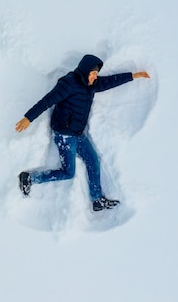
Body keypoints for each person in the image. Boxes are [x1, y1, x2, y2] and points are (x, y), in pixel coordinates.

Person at [15, 54, 150, 211]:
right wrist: (28, 118)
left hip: (77, 133)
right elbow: (47, 100)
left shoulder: (91, 84)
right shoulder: (69, 83)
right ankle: (29, 178)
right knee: (68, 173)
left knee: (93, 161)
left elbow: (110, 81)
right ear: (85, 71)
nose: (95, 76)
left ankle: (97, 199)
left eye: (96, 74)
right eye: (93, 73)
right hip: (64, 133)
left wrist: (134, 76)